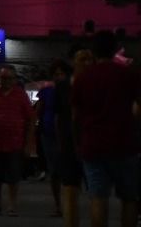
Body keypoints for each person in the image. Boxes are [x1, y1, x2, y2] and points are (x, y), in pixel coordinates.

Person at [69, 30, 140, 227]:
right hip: (125, 144)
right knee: (129, 198)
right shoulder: (128, 75)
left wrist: (78, 143)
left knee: (98, 198)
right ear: (115, 49)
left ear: (93, 51)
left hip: (93, 145)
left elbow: (75, 116)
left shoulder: (82, 78)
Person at [0, 63, 36, 216]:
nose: (6, 81)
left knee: (13, 176)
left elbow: (30, 120)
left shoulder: (20, 95)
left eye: (9, 78)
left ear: (14, 79)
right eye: (3, 78)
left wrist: (29, 144)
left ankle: (12, 204)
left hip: (15, 143)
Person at [46, 60, 81, 227]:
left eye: (60, 74)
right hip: (54, 135)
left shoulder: (71, 88)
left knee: (70, 176)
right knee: (55, 172)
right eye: (55, 74)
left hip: (69, 136)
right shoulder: (51, 90)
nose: (57, 77)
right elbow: (53, 114)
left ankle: (68, 208)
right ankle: (59, 205)